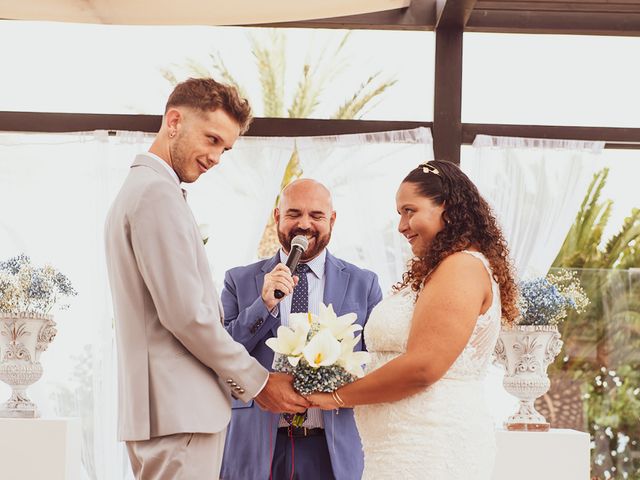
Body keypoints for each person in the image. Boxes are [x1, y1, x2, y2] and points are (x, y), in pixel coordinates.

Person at [104, 77, 308, 480]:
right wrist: (258, 381)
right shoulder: (156, 195)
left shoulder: (142, 190)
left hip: (165, 414)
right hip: (182, 415)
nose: (217, 157)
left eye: (226, 148)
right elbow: (186, 316)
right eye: (212, 139)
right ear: (174, 120)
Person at [309, 160, 519, 479]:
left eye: (410, 211)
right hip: (401, 447)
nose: (402, 226)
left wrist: (335, 398)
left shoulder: (461, 267)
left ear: (447, 208)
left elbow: (424, 367)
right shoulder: (440, 269)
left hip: (431, 446)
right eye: (400, 214)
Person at [220, 178, 383, 480]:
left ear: (332, 220)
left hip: (333, 449)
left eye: (316, 215)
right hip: (256, 446)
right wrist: (263, 304)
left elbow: (374, 365)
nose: (304, 224)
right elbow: (220, 354)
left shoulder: (365, 284)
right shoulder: (237, 281)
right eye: (294, 213)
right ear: (277, 216)